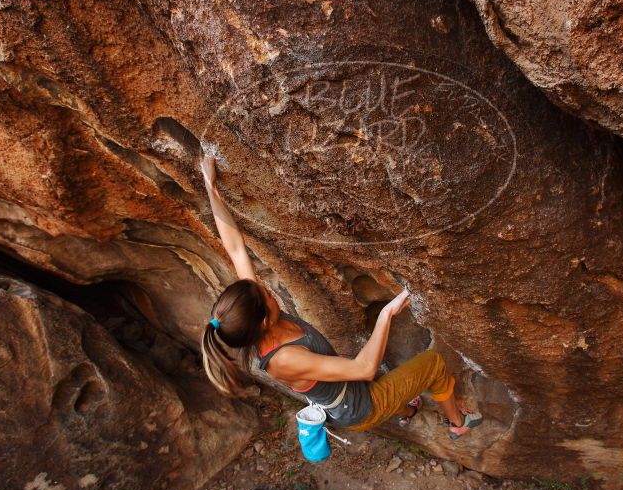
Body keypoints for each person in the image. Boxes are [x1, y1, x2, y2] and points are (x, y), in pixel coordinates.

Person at [199, 154, 482, 439]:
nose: (268, 289)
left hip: (350, 392)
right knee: (432, 364)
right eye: (266, 295)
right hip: (361, 408)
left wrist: (211, 187)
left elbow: (235, 248)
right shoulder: (284, 360)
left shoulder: (255, 316)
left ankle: (408, 411)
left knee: (382, 380)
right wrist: (386, 314)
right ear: (262, 322)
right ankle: (458, 423)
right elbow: (364, 368)